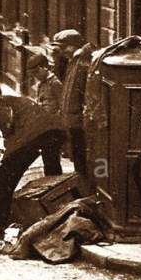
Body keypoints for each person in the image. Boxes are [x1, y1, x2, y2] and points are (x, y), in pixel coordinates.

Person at [0, 84, 67, 240]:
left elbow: (9, 124)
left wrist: (7, 154)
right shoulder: (16, 100)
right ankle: (58, 213)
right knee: (52, 174)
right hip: (54, 131)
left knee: (4, 174)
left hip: (35, 134)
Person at [54, 29, 95, 181]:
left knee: (81, 158)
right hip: (73, 119)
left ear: (73, 45)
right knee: (77, 157)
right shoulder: (74, 60)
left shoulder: (82, 61)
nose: (62, 51)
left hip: (78, 120)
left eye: (64, 47)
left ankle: (84, 186)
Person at [27, 48, 65, 177]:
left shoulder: (55, 83)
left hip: (53, 128)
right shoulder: (41, 84)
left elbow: (63, 106)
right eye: (33, 73)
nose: (35, 76)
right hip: (44, 127)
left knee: (52, 159)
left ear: (45, 67)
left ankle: (55, 182)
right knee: (47, 159)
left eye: (36, 72)